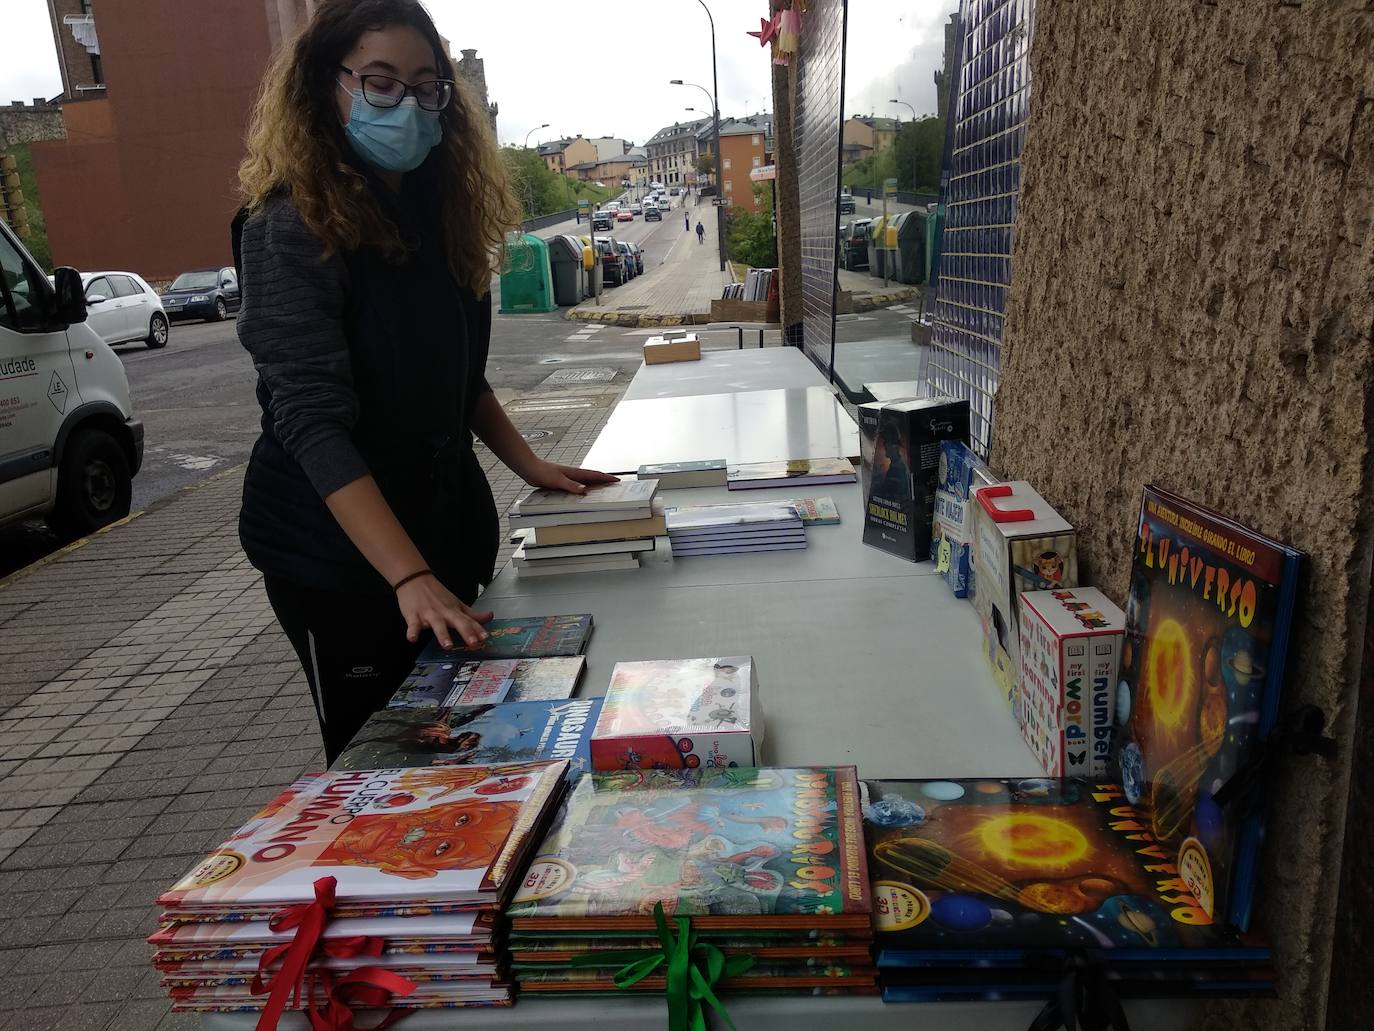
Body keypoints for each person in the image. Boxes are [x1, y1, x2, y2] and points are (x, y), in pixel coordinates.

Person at [232, 0, 616, 764]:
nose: (406, 105)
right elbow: (309, 419)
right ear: (324, 87)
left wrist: (531, 465)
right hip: (338, 556)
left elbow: (461, 380)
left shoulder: (439, 211)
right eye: (380, 84)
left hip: (442, 527)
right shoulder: (288, 224)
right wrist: (406, 573)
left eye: (425, 85)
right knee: (387, 760)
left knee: (464, 742)